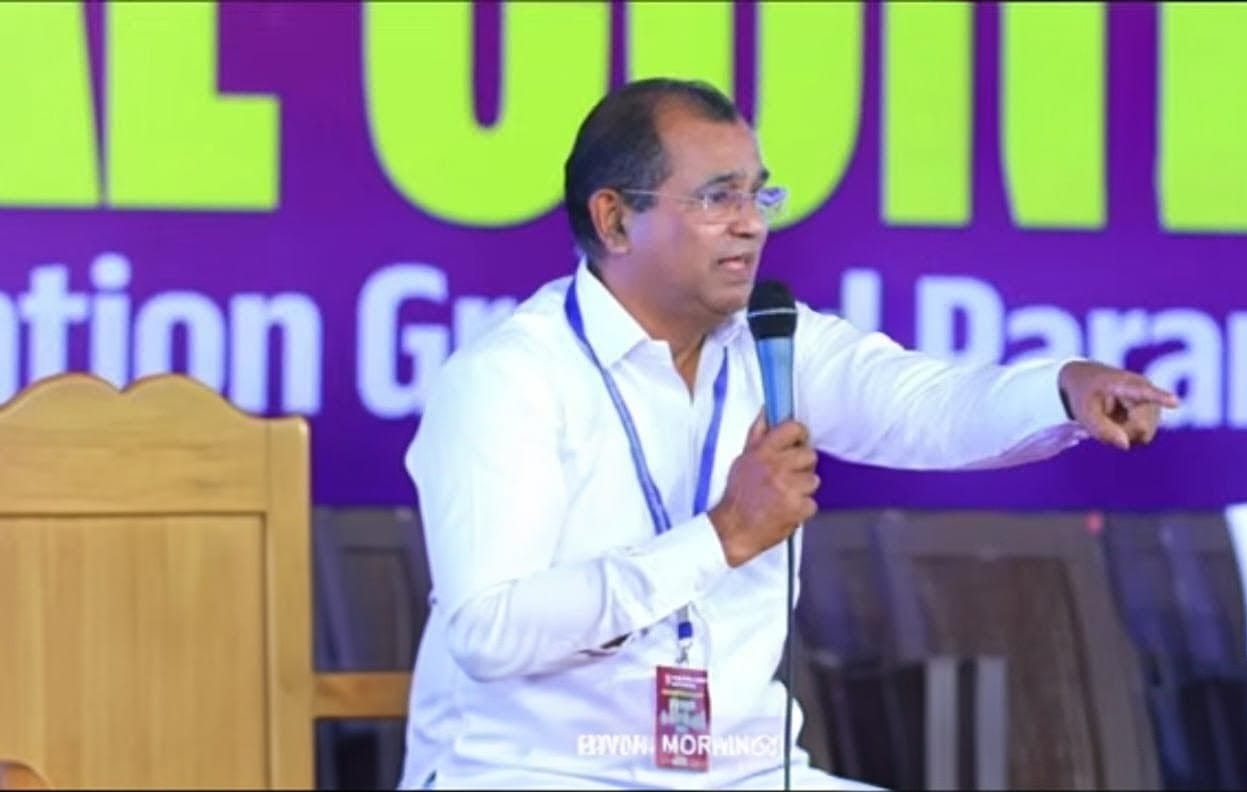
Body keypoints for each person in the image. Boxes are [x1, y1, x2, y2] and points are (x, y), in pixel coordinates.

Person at [398, 77, 1178, 790]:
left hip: (740, 774)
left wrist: (1061, 390)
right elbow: (490, 632)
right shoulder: (509, 379)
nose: (750, 224)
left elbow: (925, 405)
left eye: (759, 195)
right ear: (615, 219)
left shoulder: (773, 343)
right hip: (535, 769)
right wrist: (723, 536)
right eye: (717, 198)